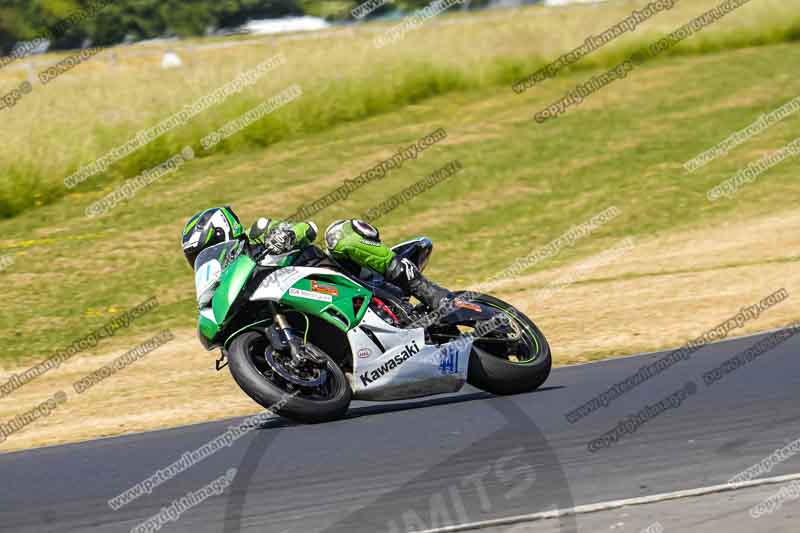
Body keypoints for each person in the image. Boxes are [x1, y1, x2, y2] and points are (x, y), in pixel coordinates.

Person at [181, 206, 452, 309]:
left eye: (201, 252)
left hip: (340, 278)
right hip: (313, 303)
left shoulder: (261, 232)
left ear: (220, 233)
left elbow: (307, 228)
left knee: (339, 234)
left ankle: (427, 291)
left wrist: (285, 236)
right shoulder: (232, 286)